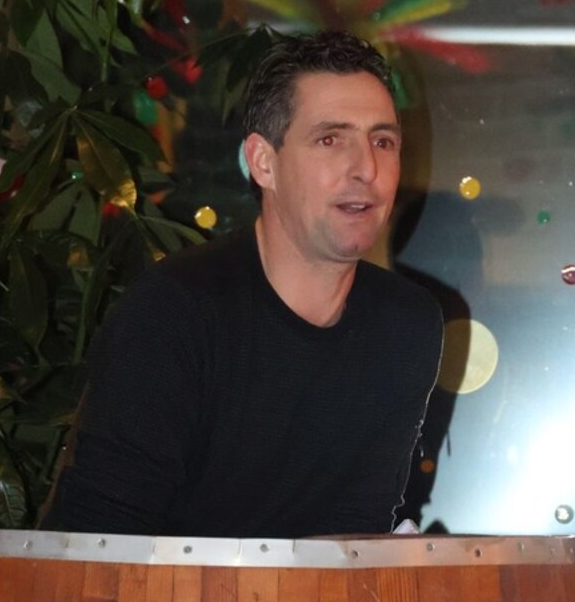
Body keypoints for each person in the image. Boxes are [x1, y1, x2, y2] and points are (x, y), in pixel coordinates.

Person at [41, 31, 444, 538]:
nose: (366, 168)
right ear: (263, 162)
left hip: (309, 592)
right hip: (148, 588)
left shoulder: (406, 325)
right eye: (330, 139)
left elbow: (356, 534)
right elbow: (102, 541)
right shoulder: (175, 312)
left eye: (382, 141)